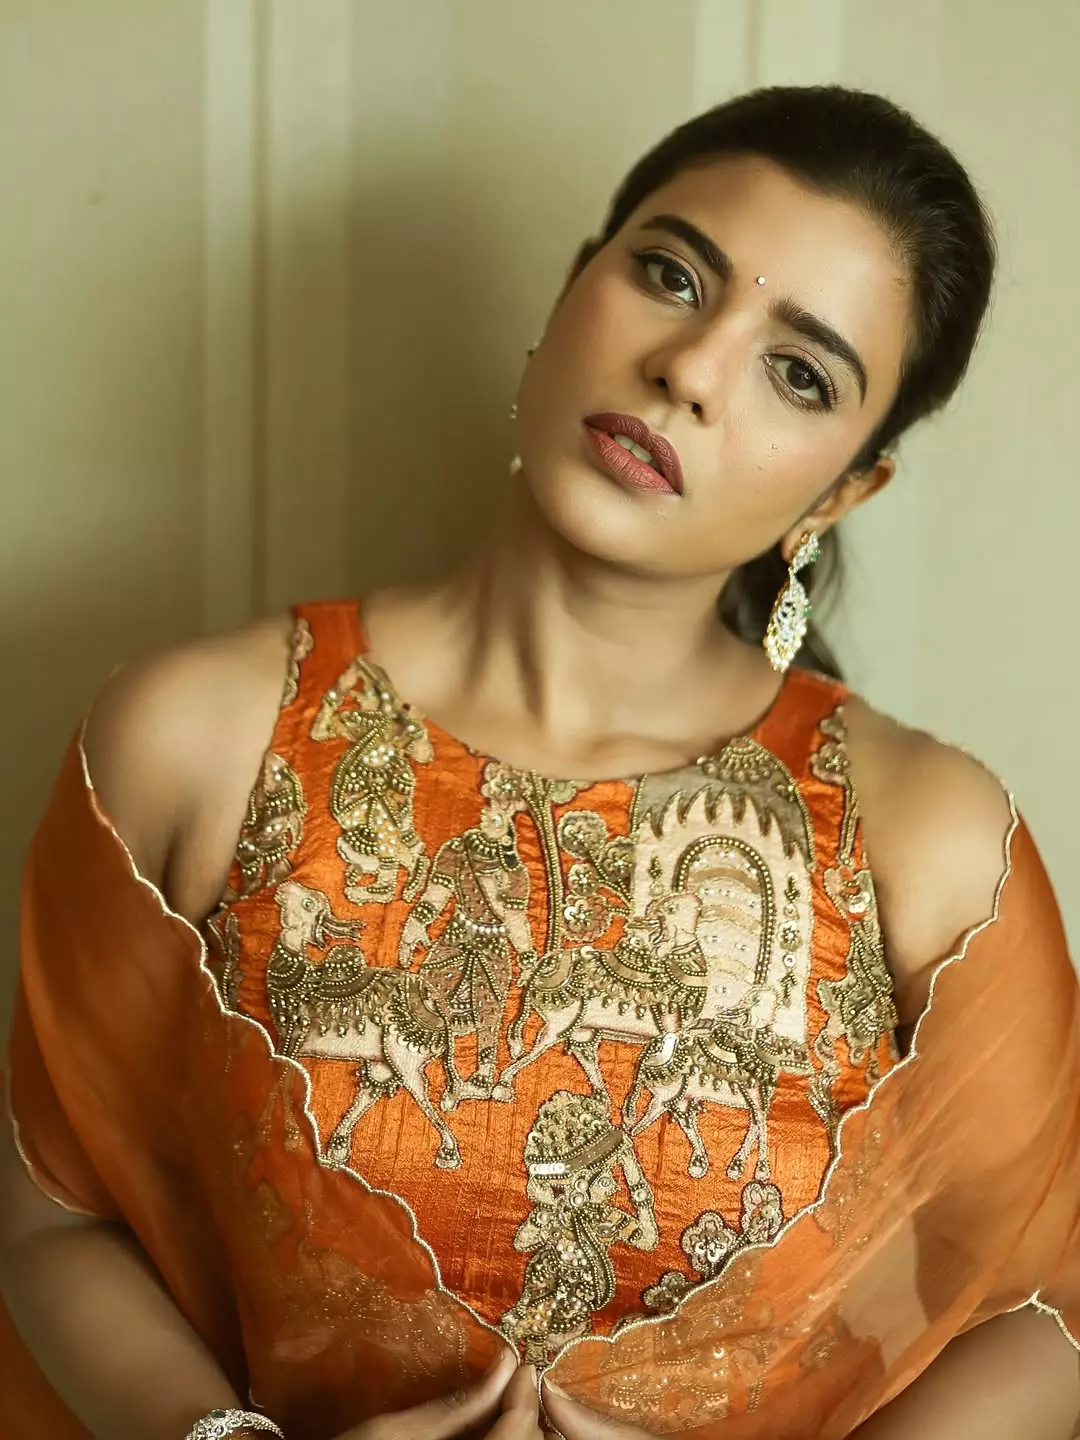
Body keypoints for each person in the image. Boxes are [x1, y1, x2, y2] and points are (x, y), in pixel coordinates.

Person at [1, 83, 1078, 1440]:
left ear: (843, 489)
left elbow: (1047, 1314)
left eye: (798, 372)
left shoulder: (925, 841)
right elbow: (57, 1217)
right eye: (671, 276)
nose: (691, 369)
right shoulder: (198, 737)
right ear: (573, 290)